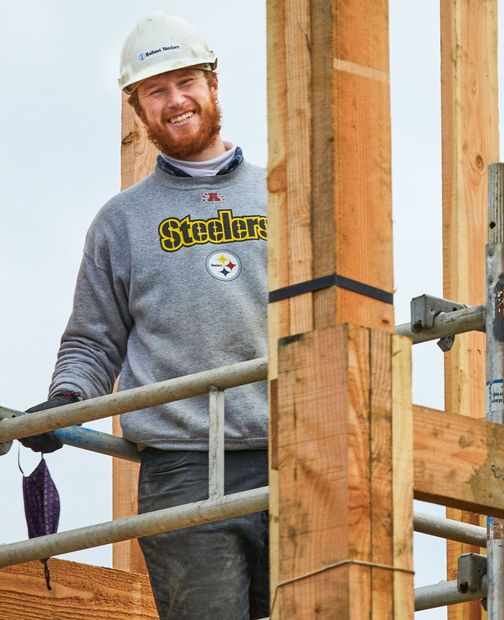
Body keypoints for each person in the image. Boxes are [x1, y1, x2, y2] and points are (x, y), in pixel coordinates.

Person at [20, 12, 269, 619]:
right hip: (182, 467)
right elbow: (93, 338)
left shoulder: (283, 194)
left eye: (186, 81)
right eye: (156, 90)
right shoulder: (122, 221)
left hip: (298, 448)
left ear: (214, 85)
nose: (175, 100)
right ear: (138, 108)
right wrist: (66, 399)